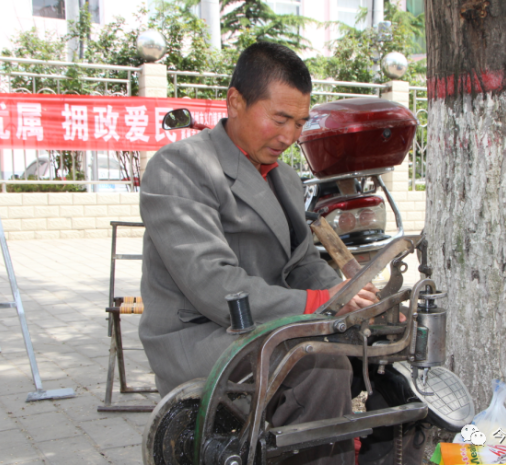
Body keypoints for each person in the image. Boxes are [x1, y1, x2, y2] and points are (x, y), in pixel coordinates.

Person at [139, 41, 378, 465]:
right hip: (203, 334)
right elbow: (215, 287)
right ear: (235, 102)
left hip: (266, 323)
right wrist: (320, 304)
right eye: (279, 118)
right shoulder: (179, 167)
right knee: (318, 366)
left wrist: (349, 294)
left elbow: (302, 262)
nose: (289, 136)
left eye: (300, 122)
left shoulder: (284, 177)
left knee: (380, 344)